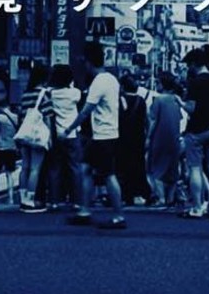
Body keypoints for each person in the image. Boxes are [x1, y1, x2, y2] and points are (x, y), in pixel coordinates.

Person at [61, 42, 125, 229]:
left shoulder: (99, 82)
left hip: (103, 136)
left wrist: (68, 130)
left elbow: (85, 112)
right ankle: (84, 211)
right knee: (86, 169)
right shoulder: (112, 79)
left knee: (108, 175)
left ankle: (118, 216)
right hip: (105, 133)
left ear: (88, 62)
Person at [179, 48, 209, 219]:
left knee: (195, 168)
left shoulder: (195, 82)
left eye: (189, 65)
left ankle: (197, 207)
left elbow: (191, 108)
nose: (188, 68)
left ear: (194, 64)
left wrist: (180, 102)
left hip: (196, 130)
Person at [45, 63, 82, 213]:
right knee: (75, 167)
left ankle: (54, 201)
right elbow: (78, 97)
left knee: (55, 168)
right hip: (72, 133)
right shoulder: (75, 93)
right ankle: (77, 202)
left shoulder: (50, 93)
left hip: (56, 134)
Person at [17, 64, 54, 212]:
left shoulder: (25, 95)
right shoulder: (44, 94)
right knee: (35, 169)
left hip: (24, 133)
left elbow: (21, 115)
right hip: (37, 135)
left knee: (24, 167)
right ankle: (30, 201)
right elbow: (48, 117)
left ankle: (22, 199)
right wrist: (49, 137)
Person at [146, 71, 183, 206]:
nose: (157, 85)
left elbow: (153, 121)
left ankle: (161, 198)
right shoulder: (176, 100)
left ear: (163, 84)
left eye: (158, 82)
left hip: (159, 139)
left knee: (156, 169)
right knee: (172, 170)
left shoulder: (158, 100)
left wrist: (148, 137)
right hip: (174, 139)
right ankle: (170, 198)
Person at [117, 73, 149, 206]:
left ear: (123, 86)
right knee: (138, 165)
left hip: (122, 138)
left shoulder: (120, 100)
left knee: (123, 166)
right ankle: (140, 193)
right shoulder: (141, 100)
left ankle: (126, 195)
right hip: (139, 138)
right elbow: (146, 120)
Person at [0, 76, 19, 205]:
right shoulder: (15, 116)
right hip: (11, 147)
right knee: (10, 173)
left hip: (0, 147)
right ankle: (11, 198)